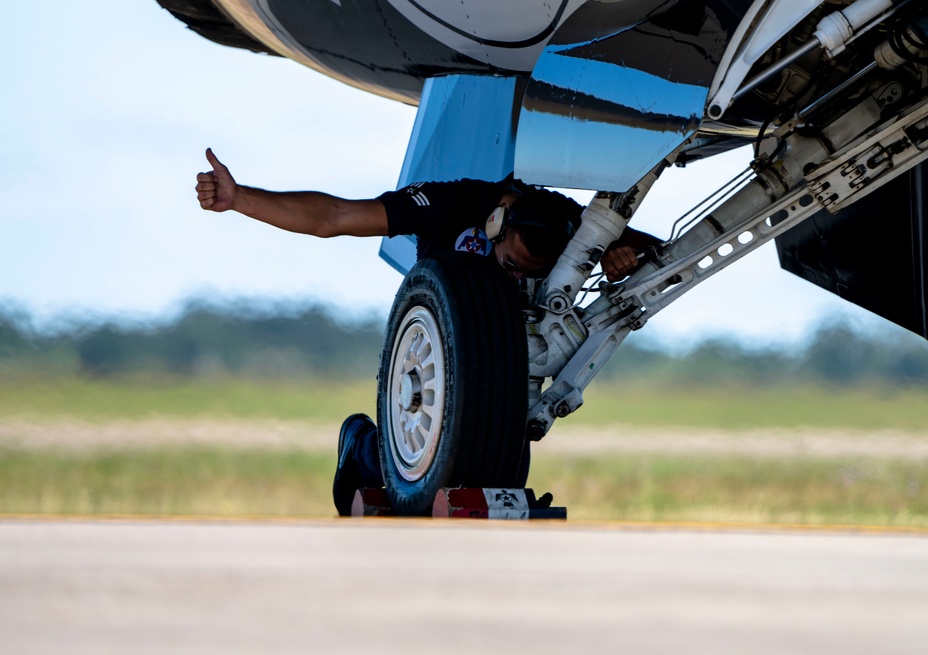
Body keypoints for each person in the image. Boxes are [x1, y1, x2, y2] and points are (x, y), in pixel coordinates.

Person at [195, 148, 660, 514]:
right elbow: (335, 217)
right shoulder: (452, 203)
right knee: (428, 455)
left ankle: (502, 491)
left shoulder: (560, 217)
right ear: (495, 227)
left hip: (507, 350)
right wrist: (240, 199)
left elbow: (647, 248)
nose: (516, 279)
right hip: (439, 343)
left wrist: (623, 253)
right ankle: (361, 445)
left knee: (508, 436)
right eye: (512, 267)